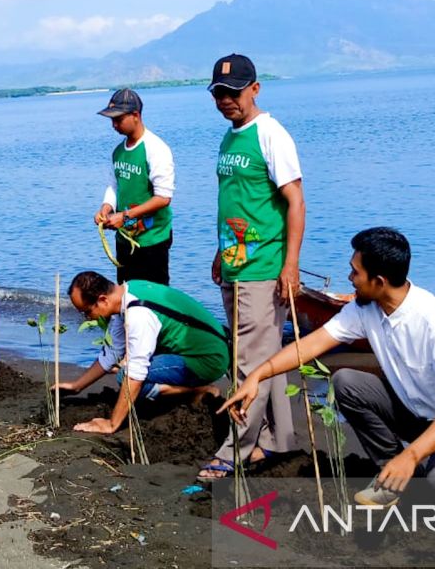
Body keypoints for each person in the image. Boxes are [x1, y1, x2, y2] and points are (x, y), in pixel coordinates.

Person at [221, 228, 435, 515]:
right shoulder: (366, 308)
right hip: (419, 415)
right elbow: (311, 344)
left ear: (380, 281)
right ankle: (391, 475)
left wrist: (412, 455)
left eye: (355, 272)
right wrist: (259, 375)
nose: (350, 279)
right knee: (347, 382)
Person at [199, 53, 306, 480]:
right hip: (234, 264)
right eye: (219, 93)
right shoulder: (230, 137)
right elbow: (235, 202)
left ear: (255, 89)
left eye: (234, 92)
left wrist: (291, 265)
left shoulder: (271, 134)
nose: (226, 100)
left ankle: (237, 449)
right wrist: (219, 253)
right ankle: (277, 440)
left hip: (263, 268)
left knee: (247, 362)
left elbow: (295, 200)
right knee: (264, 357)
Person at [55, 272, 230, 433]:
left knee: (124, 376)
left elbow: (135, 374)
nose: (87, 318)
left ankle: (196, 391)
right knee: (126, 372)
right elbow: (113, 351)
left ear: (102, 300)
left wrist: (112, 424)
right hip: (203, 348)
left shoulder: (138, 315)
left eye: (87, 312)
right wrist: (77, 386)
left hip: (207, 360)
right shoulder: (128, 292)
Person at [93, 89, 175, 284]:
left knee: (154, 298)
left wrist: (125, 216)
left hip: (152, 239)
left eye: (118, 119)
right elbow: (114, 186)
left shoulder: (156, 149)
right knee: (127, 294)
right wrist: (107, 207)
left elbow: (163, 198)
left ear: (136, 116)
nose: (114, 125)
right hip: (124, 238)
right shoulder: (118, 152)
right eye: (111, 120)